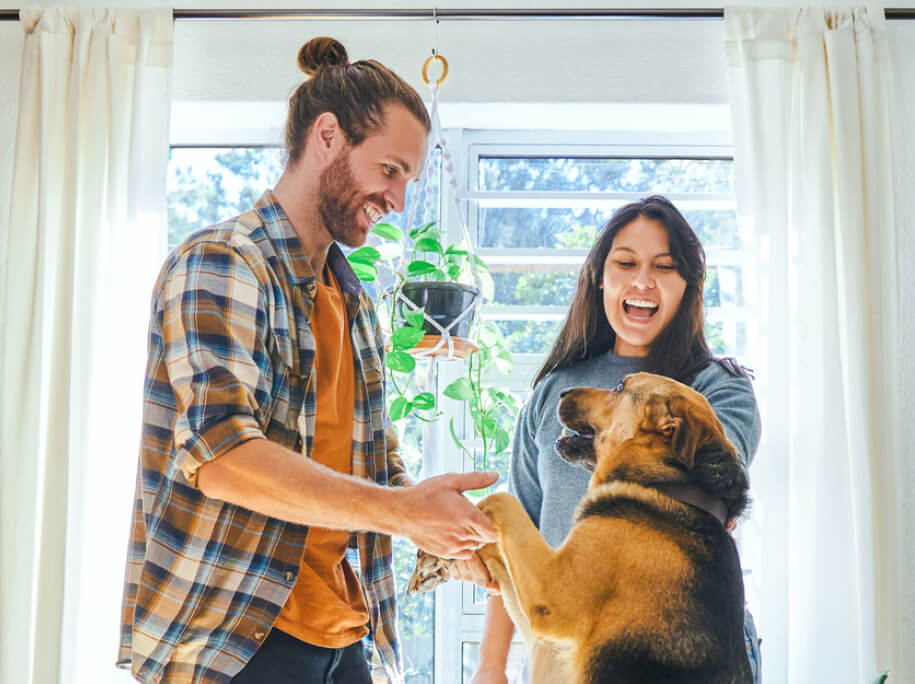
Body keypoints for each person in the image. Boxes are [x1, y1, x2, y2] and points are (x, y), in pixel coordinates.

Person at [117, 36, 499, 684]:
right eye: (390, 170)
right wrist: (403, 512)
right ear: (327, 136)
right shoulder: (223, 262)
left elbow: (373, 463)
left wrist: (445, 532)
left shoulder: (352, 300)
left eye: (409, 179)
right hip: (236, 643)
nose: (399, 201)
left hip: (345, 638)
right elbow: (222, 456)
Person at [464, 195, 763, 683]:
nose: (642, 281)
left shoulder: (714, 389)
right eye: (626, 263)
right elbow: (522, 534)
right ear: (601, 278)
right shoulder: (555, 391)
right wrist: (490, 665)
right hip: (559, 643)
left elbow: (710, 479)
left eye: (664, 267)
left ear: (687, 286)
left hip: (678, 648)